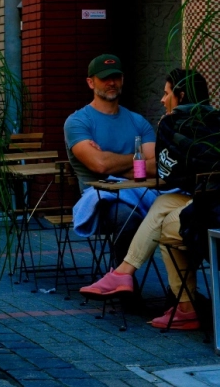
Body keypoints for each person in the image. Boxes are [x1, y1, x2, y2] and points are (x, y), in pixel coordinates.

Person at [79, 69, 212, 330]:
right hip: (206, 198)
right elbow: (157, 168)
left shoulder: (177, 124)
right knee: (162, 203)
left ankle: (183, 305)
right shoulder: (211, 120)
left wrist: (111, 162)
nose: (162, 100)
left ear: (180, 95)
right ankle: (125, 275)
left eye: (166, 94)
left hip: (209, 206)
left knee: (165, 226)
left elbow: (163, 171)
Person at [65, 54, 158, 263]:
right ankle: (121, 277)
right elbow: (99, 164)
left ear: (122, 79)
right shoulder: (78, 121)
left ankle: (179, 288)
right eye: (104, 78)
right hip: (100, 200)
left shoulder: (138, 121)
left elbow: (156, 167)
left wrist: (110, 164)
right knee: (127, 216)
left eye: (115, 77)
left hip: (142, 194)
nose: (111, 83)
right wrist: (135, 162)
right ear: (91, 82)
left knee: (186, 214)